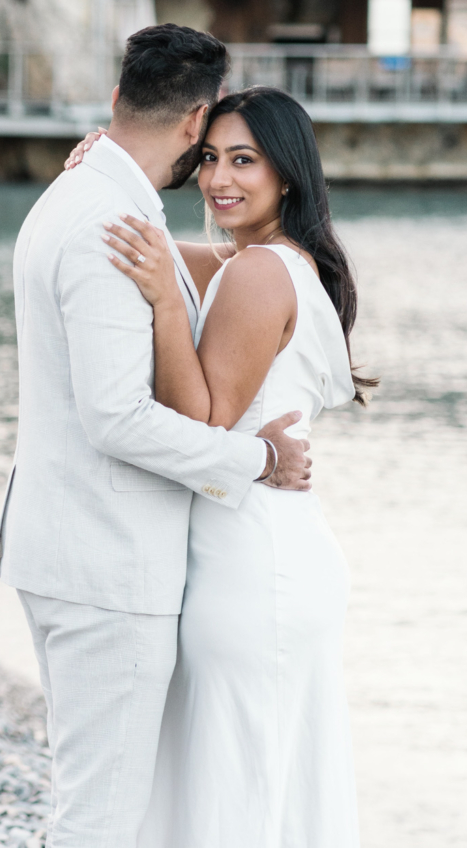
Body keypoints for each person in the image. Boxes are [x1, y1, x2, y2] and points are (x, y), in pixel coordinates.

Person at [0, 25, 314, 848]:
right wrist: (259, 457)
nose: (212, 170)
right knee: (99, 819)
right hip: (108, 563)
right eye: (214, 149)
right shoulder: (110, 220)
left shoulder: (83, 198)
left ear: (113, 102)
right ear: (196, 119)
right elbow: (118, 418)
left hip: (69, 548)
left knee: (95, 799)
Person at [89, 84, 375, 847]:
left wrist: (165, 306)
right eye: (209, 157)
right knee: (265, 792)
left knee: (232, 795)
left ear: (287, 172)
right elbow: (169, 251)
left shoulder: (255, 274)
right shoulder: (270, 261)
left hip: (252, 569)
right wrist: (104, 180)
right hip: (273, 554)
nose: (219, 178)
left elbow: (199, 425)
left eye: (243, 160)